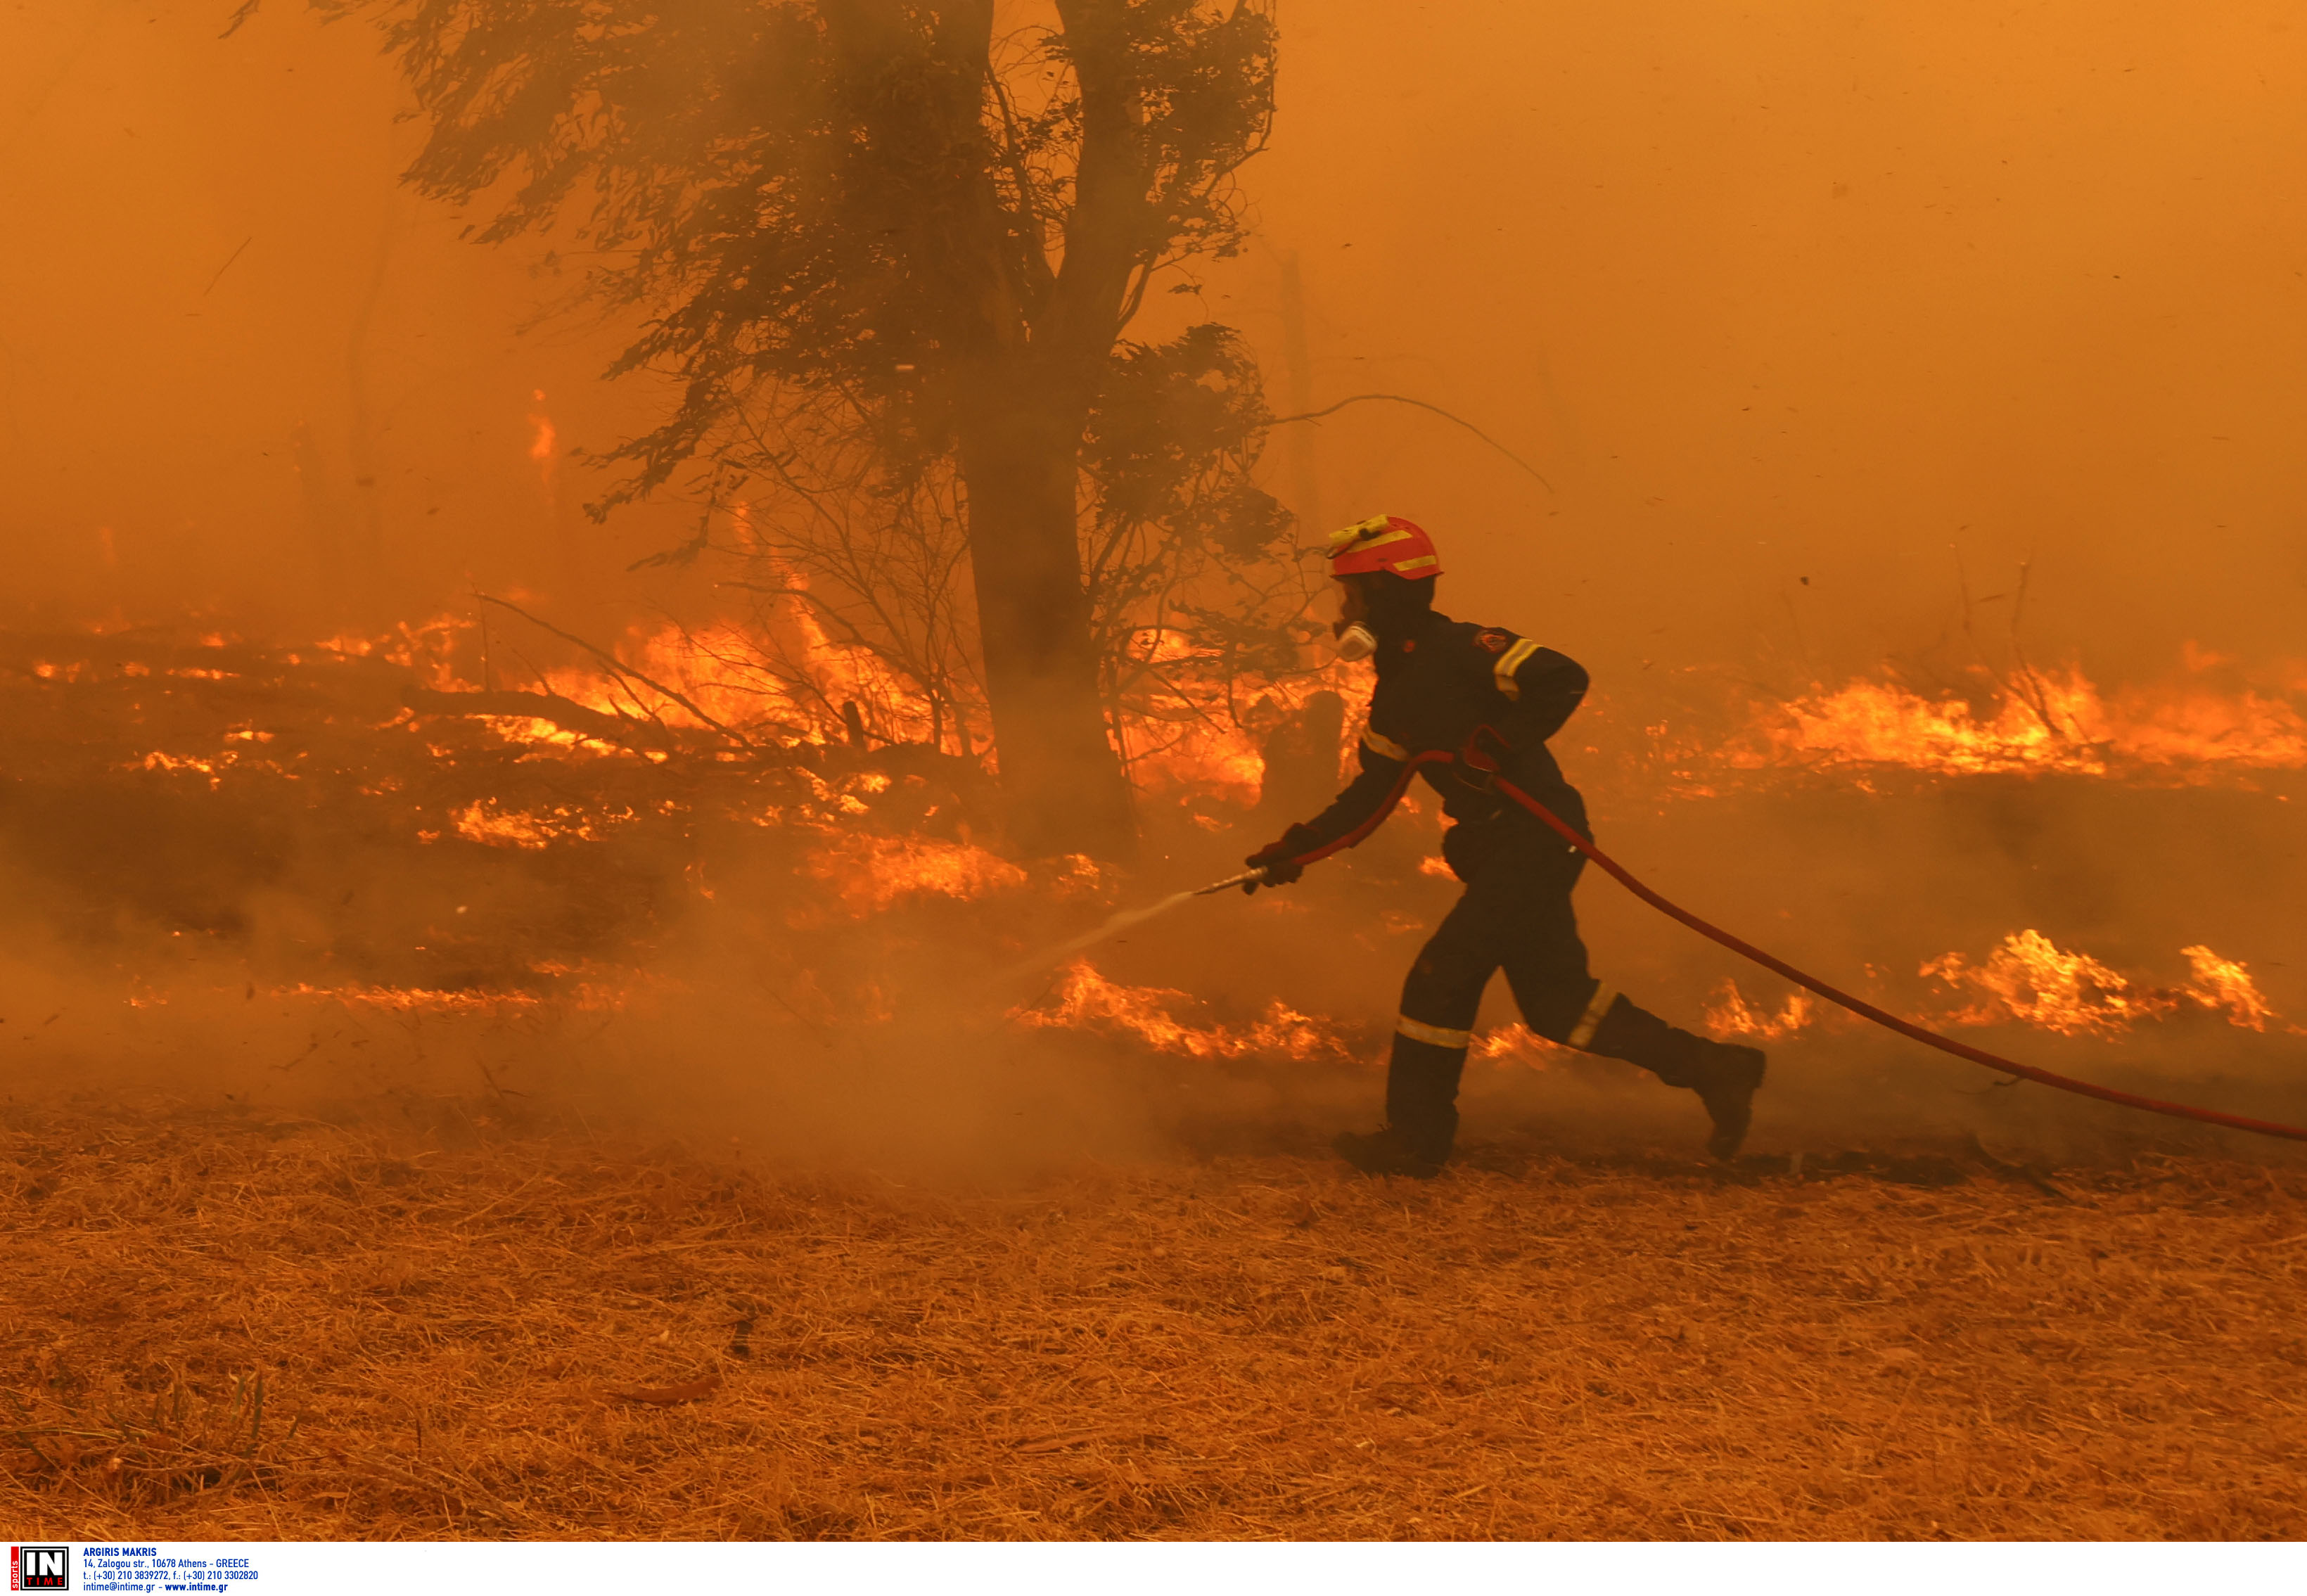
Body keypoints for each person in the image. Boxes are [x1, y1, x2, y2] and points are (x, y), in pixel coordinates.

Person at [1243, 515, 1765, 1177]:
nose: (1343, 608)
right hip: (1500, 848)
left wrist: (1496, 745)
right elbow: (1371, 796)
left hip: (1538, 837)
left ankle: (1417, 1141)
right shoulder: (1394, 695)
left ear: (1386, 594)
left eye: (1352, 594)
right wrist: (1295, 850)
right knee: (1558, 1005)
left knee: (1441, 977)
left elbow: (1563, 676)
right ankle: (1719, 1069)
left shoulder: (1464, 650)